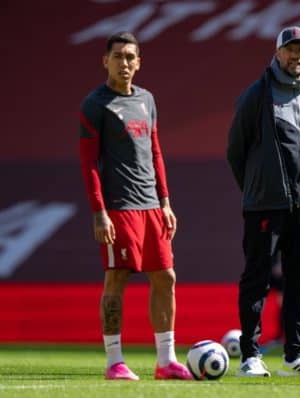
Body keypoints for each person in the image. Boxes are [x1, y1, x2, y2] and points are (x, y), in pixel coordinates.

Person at [78, 31, 192, 381]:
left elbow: (155, 152)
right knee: (117, 277)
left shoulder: (147, 100)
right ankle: (115, 361)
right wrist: (99, 213)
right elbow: (89, 164)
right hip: (119, 207)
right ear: (105, 61)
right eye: (118, 56)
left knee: (166, 277)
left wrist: (166, 203)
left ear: (139, 62)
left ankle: (166, 361)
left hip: (152, 208)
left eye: (130, 57)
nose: (124, 63)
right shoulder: (95, 105)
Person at [227, 26, 300, 377]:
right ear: (277, 54)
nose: (296, 55)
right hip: (264, 204)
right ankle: (250, 356)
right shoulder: (256, 95)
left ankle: (294, 356)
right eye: (290, 49)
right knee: (257, 279)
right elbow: (235, 151)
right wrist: (257, 189)